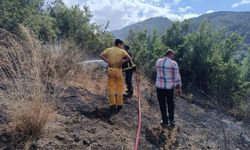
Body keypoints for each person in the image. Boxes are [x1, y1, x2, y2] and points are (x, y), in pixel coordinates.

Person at [100, 39, 131, 113]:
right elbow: (129, 58)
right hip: (118, 70)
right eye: (122, 45)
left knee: (111, 88)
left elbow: (101, 55)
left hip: (110, 70)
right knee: (119, 87)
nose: (122, 46)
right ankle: (119, 104)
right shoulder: (122, 51)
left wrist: (107, 61)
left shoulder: (109, 49)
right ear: (119, 44)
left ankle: (112, 105)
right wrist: (123, 61)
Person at [155, 49, 182, 128]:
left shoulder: (158, 61)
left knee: (162, 103)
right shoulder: (173, 63)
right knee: (170, 103)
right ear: (170, 54)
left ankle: (164, 121)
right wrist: (178, 88)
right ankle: (171, 120)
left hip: (159, 87)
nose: (173, 56)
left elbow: (157, 71)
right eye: (173, 55)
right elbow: (177, 76)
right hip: (169, 87)